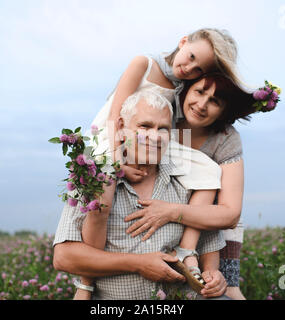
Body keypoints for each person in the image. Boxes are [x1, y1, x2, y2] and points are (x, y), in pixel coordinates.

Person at [71, 28, 240, 299]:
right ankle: (86, 284)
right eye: (192, 56)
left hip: (151, 142)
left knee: (209, 171)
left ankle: (187, 251)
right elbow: (115, 113)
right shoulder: (143, 62)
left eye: (199, 69)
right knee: (100, 204)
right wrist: (117, 162)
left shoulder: (184, 87)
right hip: (114, 136)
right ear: (183, 41)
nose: (190, 67)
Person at [53, 89, 229, 300]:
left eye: (162, 129)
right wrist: (139, 264)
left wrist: (213, 275)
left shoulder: (187, 182)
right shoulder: (94, 181)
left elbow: (209, 244)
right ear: (120, 127)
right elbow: (63, 258)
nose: (154, 136)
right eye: (145, 126)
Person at [123, 71, 271, 300]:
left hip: (206, 221)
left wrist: (171, 212)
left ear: (224, 109)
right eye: (199, 92)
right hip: (155, 217)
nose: (202, 104)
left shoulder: (225, 138)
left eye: (215, 101)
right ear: (186, 90)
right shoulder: (163, 116)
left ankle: (188, 253)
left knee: (229, 290)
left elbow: (230, 214)